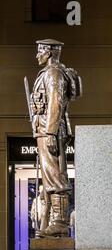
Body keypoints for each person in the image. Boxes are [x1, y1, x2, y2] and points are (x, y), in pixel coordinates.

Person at [30, 39, 81, 237]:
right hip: (44, 129)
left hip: (50, 130)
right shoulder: (50, 73)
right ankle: (53, 221)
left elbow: (55, 103)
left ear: (49, 52)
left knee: (55, 176)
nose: (37, 55)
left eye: (40, 51)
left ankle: (60, 222)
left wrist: (50, 131)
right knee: (50, 175)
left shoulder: (53, 73)